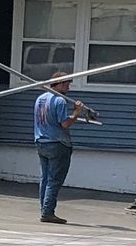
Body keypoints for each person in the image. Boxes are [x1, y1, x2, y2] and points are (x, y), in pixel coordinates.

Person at [32, 71, 92, 222]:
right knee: (54, 180)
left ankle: (44, 209)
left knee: (45, 178)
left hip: (41, 142)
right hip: (57, 143)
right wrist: (76, 113)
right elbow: (65, 124)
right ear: (59, 84)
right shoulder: (59, 101)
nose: (68, 88)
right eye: (67, 84)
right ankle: (48, 212)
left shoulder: (40, 99)